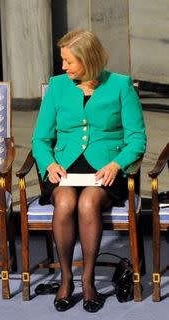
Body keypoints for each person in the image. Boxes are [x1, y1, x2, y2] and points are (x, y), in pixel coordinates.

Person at [31, 29, 146, 313]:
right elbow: (40, 140)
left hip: (105, 169)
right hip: (64, 168)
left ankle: (88, 279)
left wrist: (117, 163)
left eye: (69, 61)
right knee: (67, 201)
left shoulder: (121, 86)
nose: (63, 66)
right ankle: (67, 279)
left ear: (89, 60)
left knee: (88, 202)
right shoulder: (58, 86)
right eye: (63, 60)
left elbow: (137, 139)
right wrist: (49, 164)